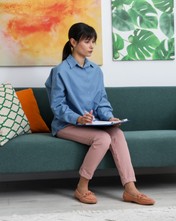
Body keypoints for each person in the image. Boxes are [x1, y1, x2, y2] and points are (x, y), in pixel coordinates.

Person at [45, 22, 155, 205]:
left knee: (117, 133)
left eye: (93, 42)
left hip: (91, 123)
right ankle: (82, 187)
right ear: (73, 41)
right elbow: (57, 106)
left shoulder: (96, 71)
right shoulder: (60, 71)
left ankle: (130, 189)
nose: (91, 46)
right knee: (102, 139)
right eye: (87, 41)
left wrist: (109, 117)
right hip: (66, 125)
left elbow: (101, 102)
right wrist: (77, 118)